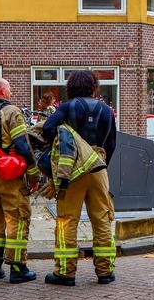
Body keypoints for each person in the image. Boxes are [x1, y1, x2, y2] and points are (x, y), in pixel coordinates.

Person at [39, 70, 117, 286]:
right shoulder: (106, 110)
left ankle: (65, 272)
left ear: (70, 88)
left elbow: (48, 128)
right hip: (98, 168)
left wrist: (60, 147)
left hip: (72, 172)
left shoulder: (66, 108)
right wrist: (101, 166)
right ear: (94, 87)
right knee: (102, 219)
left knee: (67, 220)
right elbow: (112, 144)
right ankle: (105, 272)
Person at [0, 77, 40, 284]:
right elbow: (23, 145)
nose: (11, 92)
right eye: (9, 89)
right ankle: (18, 268)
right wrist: (33, 174)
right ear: (2, 91)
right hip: (10, 175)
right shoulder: (12, 112)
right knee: (17, 219)